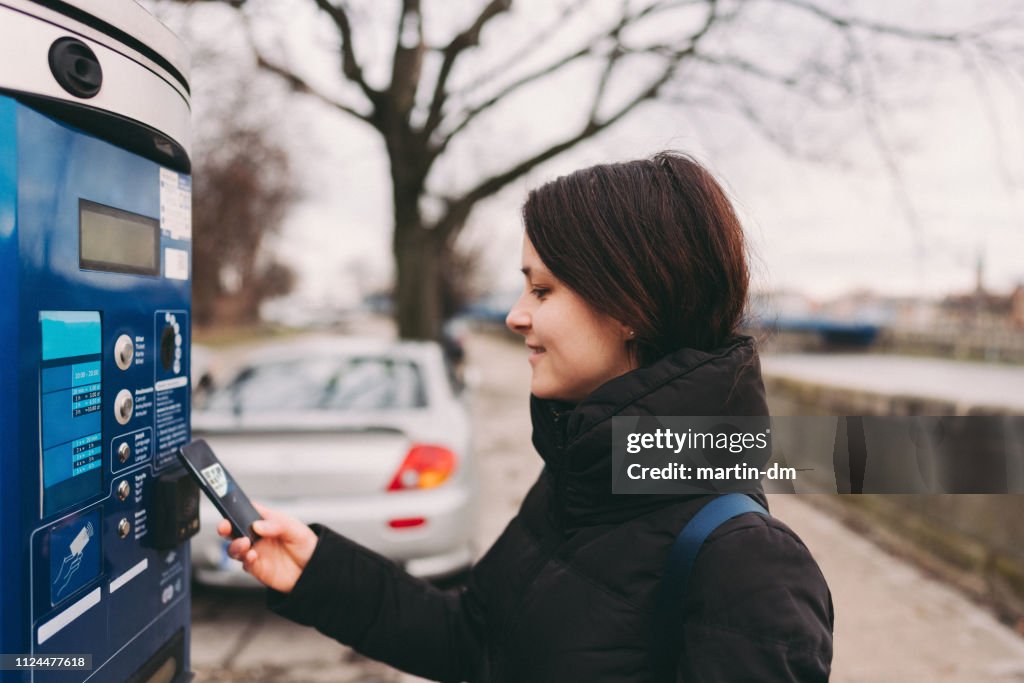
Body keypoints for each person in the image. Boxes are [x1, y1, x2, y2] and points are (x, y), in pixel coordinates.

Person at [220, 152, 835, 681]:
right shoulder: (582, 475)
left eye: (542, 291)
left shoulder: (749, 565)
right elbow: (473, 635)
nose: (515, 316)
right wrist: (314, 572)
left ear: (630, 309)